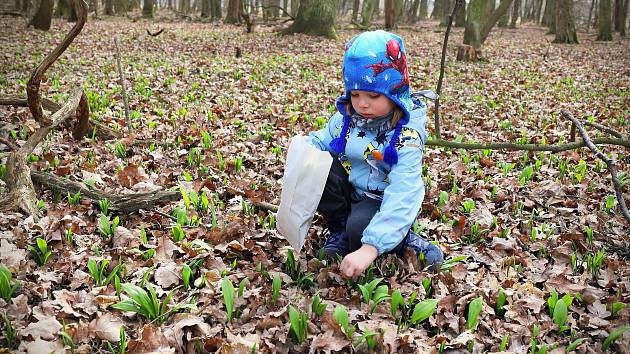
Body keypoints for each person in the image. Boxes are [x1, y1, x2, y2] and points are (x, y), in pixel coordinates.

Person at [307, 30, 443, 279]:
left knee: (360, 230)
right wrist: (301, 149)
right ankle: (339, 228)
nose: (362, 104)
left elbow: (404, 191)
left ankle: (403, 239)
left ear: (395, 94)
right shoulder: (347, 117)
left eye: (373, 95)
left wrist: (370, 247)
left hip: (383, 200)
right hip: (353, 189)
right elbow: (322, 141)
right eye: (355, 94)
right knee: (320, 166)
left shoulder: (406, 138)